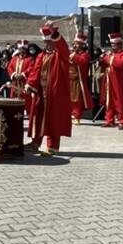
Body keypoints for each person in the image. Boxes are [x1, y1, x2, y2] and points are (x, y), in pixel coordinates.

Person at [25, 22, 71, 155]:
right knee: (37, 117)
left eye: (49, 41)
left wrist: (54, 32)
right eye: (45, 41)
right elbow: (35, 71)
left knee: (54, 119)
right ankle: (35, 143)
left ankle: (52, 146)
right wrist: (30, 84)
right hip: (41, 92)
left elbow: (63, 46)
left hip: (55, 93)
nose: (46, 44)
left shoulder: (60, 55)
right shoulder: (41, 55)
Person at [98, 33, 123, 130]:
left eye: (114, 45)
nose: (112, 46)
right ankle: (109, 120)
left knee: (119, 100)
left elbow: (120, 63)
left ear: (120, 44)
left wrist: (108, 59)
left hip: (119, 81)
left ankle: (122, 121)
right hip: (109, 79)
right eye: (111, 45)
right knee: (109, 100)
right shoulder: (110, 54)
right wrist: (102, 58)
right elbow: (104, 62)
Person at [69, 31, 94, 124]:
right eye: (75, 43)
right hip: (69, 78)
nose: (75, 46)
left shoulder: (85, 55)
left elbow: (82, 62)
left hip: (78, 80)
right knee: (69, 98)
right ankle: (71, 114)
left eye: (77, 44)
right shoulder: (71, 53)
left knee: (77, 99)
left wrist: (74, 56)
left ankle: (77, 116)